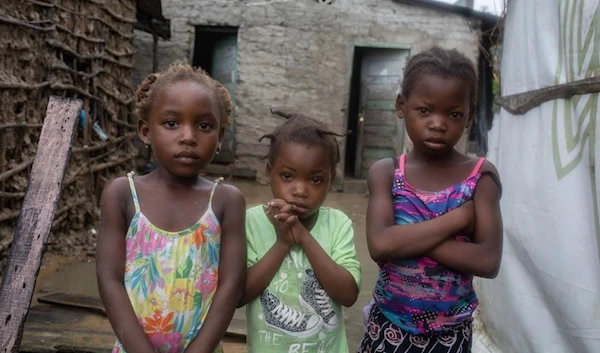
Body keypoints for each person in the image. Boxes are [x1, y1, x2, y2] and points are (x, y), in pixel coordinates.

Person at [358, 47, 503, 353]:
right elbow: (380, 246)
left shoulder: (480, 178)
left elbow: (488, 261)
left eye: (453, 114)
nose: (438, 123)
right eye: (425, 110)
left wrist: (405, 238)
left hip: (450, 336)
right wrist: (457, 219)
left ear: (469, 116)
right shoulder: (386, 173)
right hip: (388, 327)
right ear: (402, 105)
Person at [96, 62, 246, 353]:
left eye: (204, 126)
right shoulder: (123, 194)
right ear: (145, 131)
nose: (188, 137)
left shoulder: (227, 201)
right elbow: (108, 279)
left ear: (220, 136)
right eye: (171, 123)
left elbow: (232, 285)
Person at [238, 109, 361, 353]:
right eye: (287, 176)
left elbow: (348, 294)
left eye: (315, 180)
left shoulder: (338, 224)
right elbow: (239, 295)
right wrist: (282, 243)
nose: (300, 190)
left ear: (330, 181)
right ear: (268, 173)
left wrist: (303, 237)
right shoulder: (250, 222)